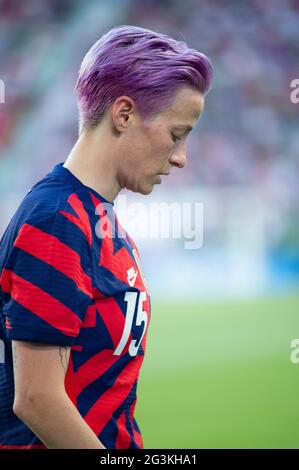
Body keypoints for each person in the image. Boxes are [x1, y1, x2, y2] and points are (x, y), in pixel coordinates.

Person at [0, 25, 212, 449]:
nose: (180, 158)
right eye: (177, 134)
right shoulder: (56, 220)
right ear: (124, 114)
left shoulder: (100, 219)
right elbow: (37, 399)